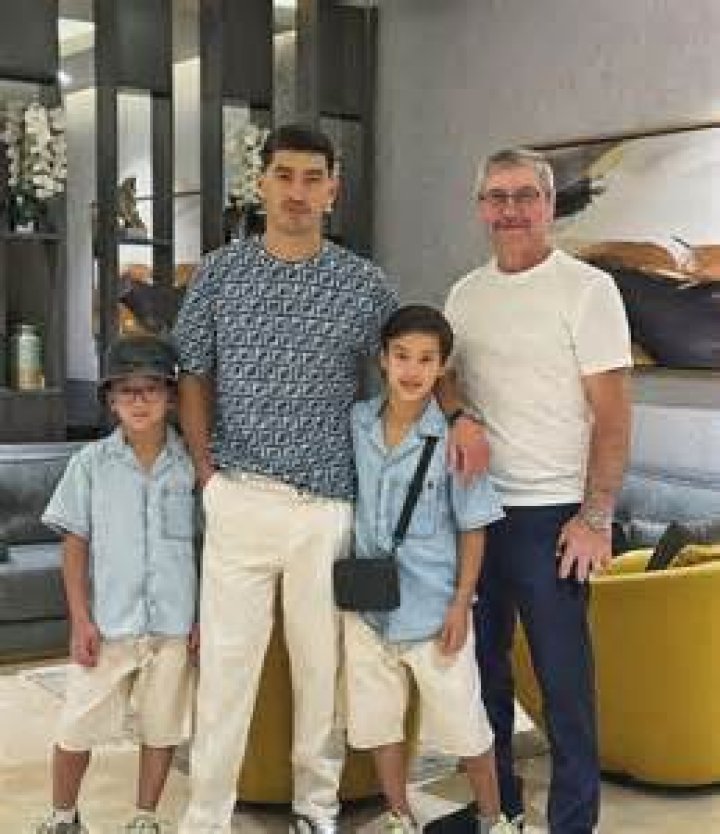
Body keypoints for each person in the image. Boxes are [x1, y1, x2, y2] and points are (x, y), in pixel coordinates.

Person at [172, 124, 488, 834]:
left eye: (312, 178)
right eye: (284, 175)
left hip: (327, 508)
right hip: (239, 497)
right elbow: (192, 371)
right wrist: (205, 474)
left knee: (321, 672)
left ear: (333, 190)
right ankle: (205, 816)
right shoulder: (219, 273)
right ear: (261, 184)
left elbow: (418, 354)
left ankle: (315, 808)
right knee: (225, 670)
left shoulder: (363, 283)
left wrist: (460, 417)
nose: (297, 191)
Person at [441, 148, 632, 834]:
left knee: (563, 686)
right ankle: (499, 811)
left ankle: (573, 823)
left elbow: (613, 416)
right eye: (497, 197)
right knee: (481, 677)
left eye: (526, 195)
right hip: (476, 511)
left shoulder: (587, 290)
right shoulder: (465, 295)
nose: (511, 210)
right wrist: (458, 415)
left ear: (549, 206)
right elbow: (445, 377)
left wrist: (595, 517)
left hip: (553, 517)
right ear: (481, 208)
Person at [343, 304, 521, 834]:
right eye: (402, 356)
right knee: (380, 723)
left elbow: (473, 526)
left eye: (426, 359)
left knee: (465, 725)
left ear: (442, 367)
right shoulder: (357, 423)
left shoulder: (455, 439)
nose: (412, 369)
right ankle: (400, 817)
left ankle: (493, 819)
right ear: (383, 359)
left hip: (433, 609)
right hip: (367, 608)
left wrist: (462, 602)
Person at [36, 335, 199, 834]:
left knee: (162, 727)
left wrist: (203, 617)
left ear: (171, 397)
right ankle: (63, 816)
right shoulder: (89, 465)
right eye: (126, 390)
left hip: (173, 626)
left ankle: (144, 817)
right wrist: (80, 620)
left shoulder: (193, 466)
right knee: (76, 726)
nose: (139, 400)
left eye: (151, 389)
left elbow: (208, 547)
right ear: (110, 399)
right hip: (109, 626)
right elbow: (74, 544)